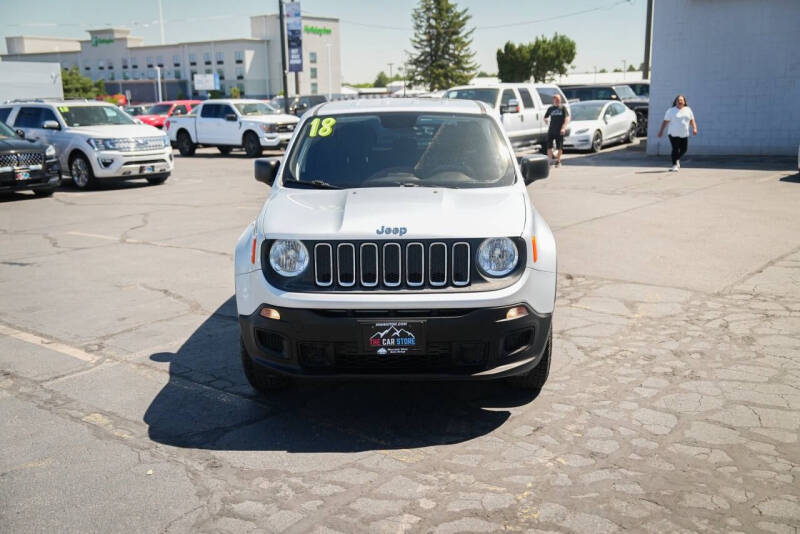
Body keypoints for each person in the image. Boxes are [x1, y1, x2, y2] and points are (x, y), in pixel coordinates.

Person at [657, 94, 697, 171]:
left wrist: (694, 128)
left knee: (684, 150)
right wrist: (661, 131)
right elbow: (665, 122)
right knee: (675, 148)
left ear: (684, 102)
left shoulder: (688, 110)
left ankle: (676, 158)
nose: (680, 101)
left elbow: (692, 120)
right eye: (678, 100)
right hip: (673, 134)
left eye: (681, 100)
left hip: (684, 134)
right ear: (675, 102)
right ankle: (674, 165)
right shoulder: (671, 111)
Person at [544, 94, 570, 167]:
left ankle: (558, 161)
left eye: (559, 99)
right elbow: (545, 117)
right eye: (556, 99)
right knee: (549, 146)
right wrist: (546, 120)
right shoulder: (550, 108)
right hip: (551, 130)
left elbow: (566, 118)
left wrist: (563, 128)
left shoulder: (563, 108)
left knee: (560, 147)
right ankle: (550, 161)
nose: (558, 100)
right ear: (553, 100)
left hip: (560, 130)